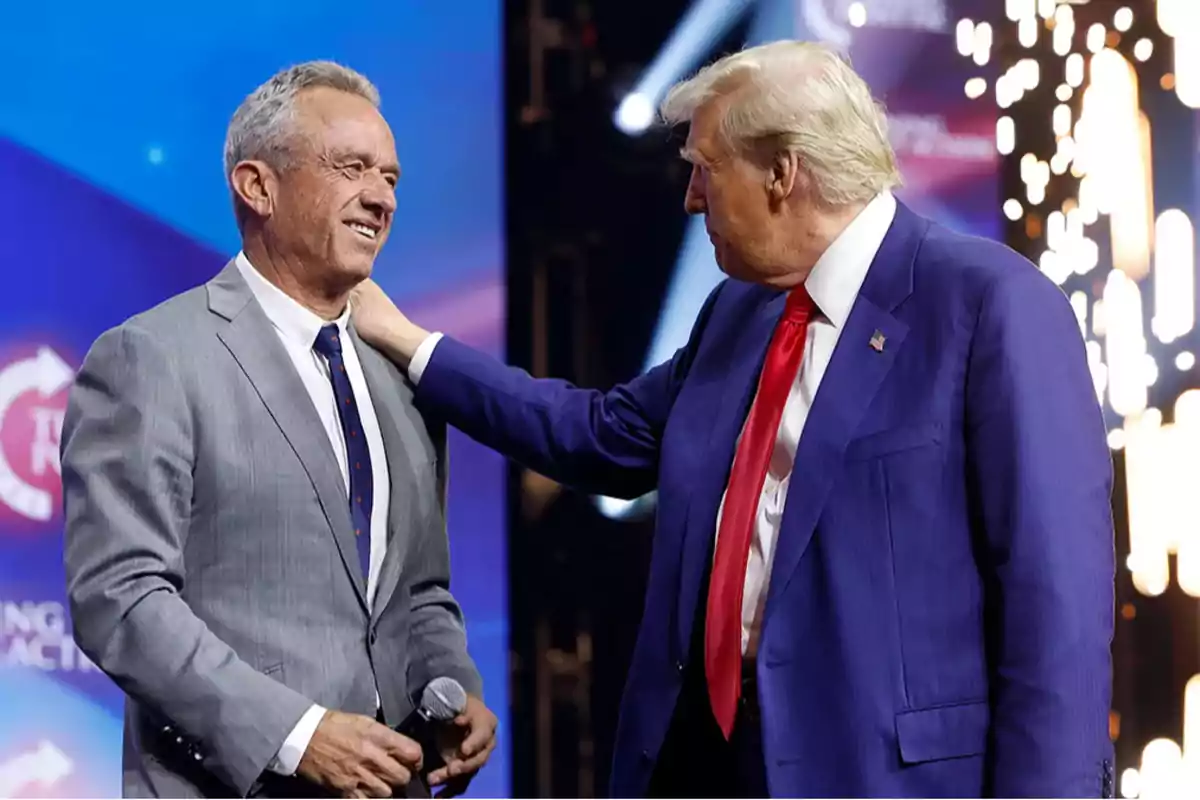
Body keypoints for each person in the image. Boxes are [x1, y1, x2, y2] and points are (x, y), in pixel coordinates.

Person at [351, 41, 1115, 798]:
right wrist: (412, 344)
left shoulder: (988, 306)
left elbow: (1059, 618)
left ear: (783, 172)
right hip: (707, 767)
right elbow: (600, 435)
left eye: (705, 169)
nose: (689, 197)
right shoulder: (740, 311)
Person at [61, 61, 497, 799]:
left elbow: (417, 592)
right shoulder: (153, 357)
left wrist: (451, 684)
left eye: (391, 177)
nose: (380, 198)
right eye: (351, 167)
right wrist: (297, 735)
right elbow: (120, 597)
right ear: (257, 186)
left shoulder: (400, 378)